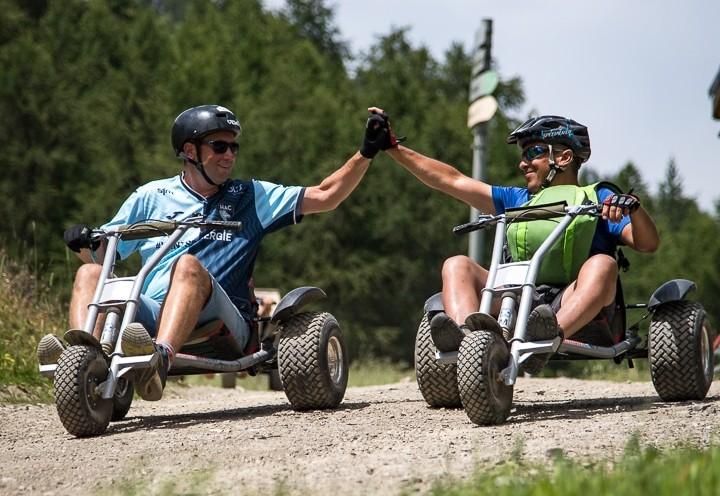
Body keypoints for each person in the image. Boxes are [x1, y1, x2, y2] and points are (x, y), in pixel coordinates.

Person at [37, 104, 390, 400]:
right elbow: (102, 258)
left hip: (223, 319)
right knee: (88, 274)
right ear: (190, 151)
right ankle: (87, 364)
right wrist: (83, 242)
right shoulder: (151, 196)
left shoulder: (251, 196)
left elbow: (327, 195)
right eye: (220, 146)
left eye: (234, 147)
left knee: (188, 266)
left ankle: (158, 363)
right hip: (149, 315)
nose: (230, 155)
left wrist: (366, 153)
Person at [373, 109, 659, 372]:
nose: (523, 163)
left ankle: (546, 337)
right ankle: (469, 342)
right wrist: (393, 148)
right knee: (456, 264)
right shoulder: (517, 199)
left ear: (564, 158)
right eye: (523, 155)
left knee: (603, 264)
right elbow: (452, 180)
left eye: (533, 152)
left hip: (577, 306)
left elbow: (647, 243)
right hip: (520, 302)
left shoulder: (599, 197)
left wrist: (633, 209)